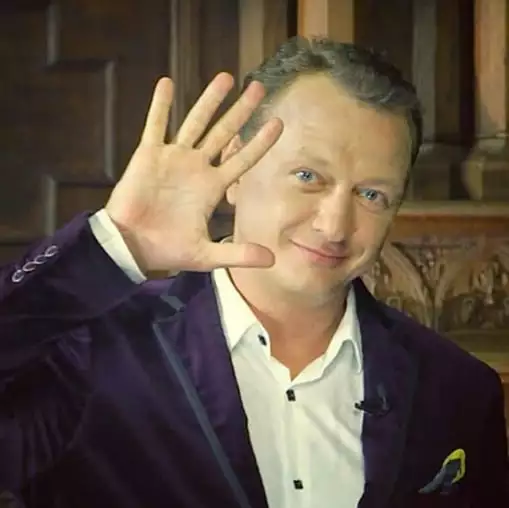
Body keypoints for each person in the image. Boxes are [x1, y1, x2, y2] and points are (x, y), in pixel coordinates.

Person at [0, 36, 507, 508]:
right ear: (236, 169)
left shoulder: (458, 389)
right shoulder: (95, 350)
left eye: (371, 194)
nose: (334, 226)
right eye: (307, 176)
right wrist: (112, 244)